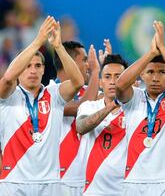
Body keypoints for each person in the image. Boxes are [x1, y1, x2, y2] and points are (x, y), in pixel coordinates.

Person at [0, 16, 84, 195]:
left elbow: (77, 81)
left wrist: (58, 47)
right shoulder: (7, 96)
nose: (32, 70)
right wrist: (38, 41)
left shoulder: (54, 94)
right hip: (14, 181)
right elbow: (7, 77)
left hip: (50, 183)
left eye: (38, 66)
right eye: (27, 66)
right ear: (19, 68)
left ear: (44, 70)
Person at [116, 21, 165, 196]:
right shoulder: (134, 98)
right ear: (142, 74)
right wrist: (150, 53)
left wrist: (163, 48)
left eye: (162, 72)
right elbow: (120, 85)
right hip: (135, 179)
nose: (156, 78)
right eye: (150, 72)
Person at [76, 54, 128, 196]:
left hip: (127, 189)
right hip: (94, 190)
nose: (113, 81)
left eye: (118, 76)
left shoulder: (136, 109)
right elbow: (81, 127)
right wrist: (111, 106)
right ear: (100, 82)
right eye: (107, 76)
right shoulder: (89, 106)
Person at [54, 41, 101, 196]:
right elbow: (82, 107)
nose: (89, 65)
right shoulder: (49, 92)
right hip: (59, 181)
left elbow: (113, 100)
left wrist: (110, 75)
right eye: (85, 60)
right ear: (69, 62)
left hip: (89, 179)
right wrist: (95, 73)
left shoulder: (90, 91)